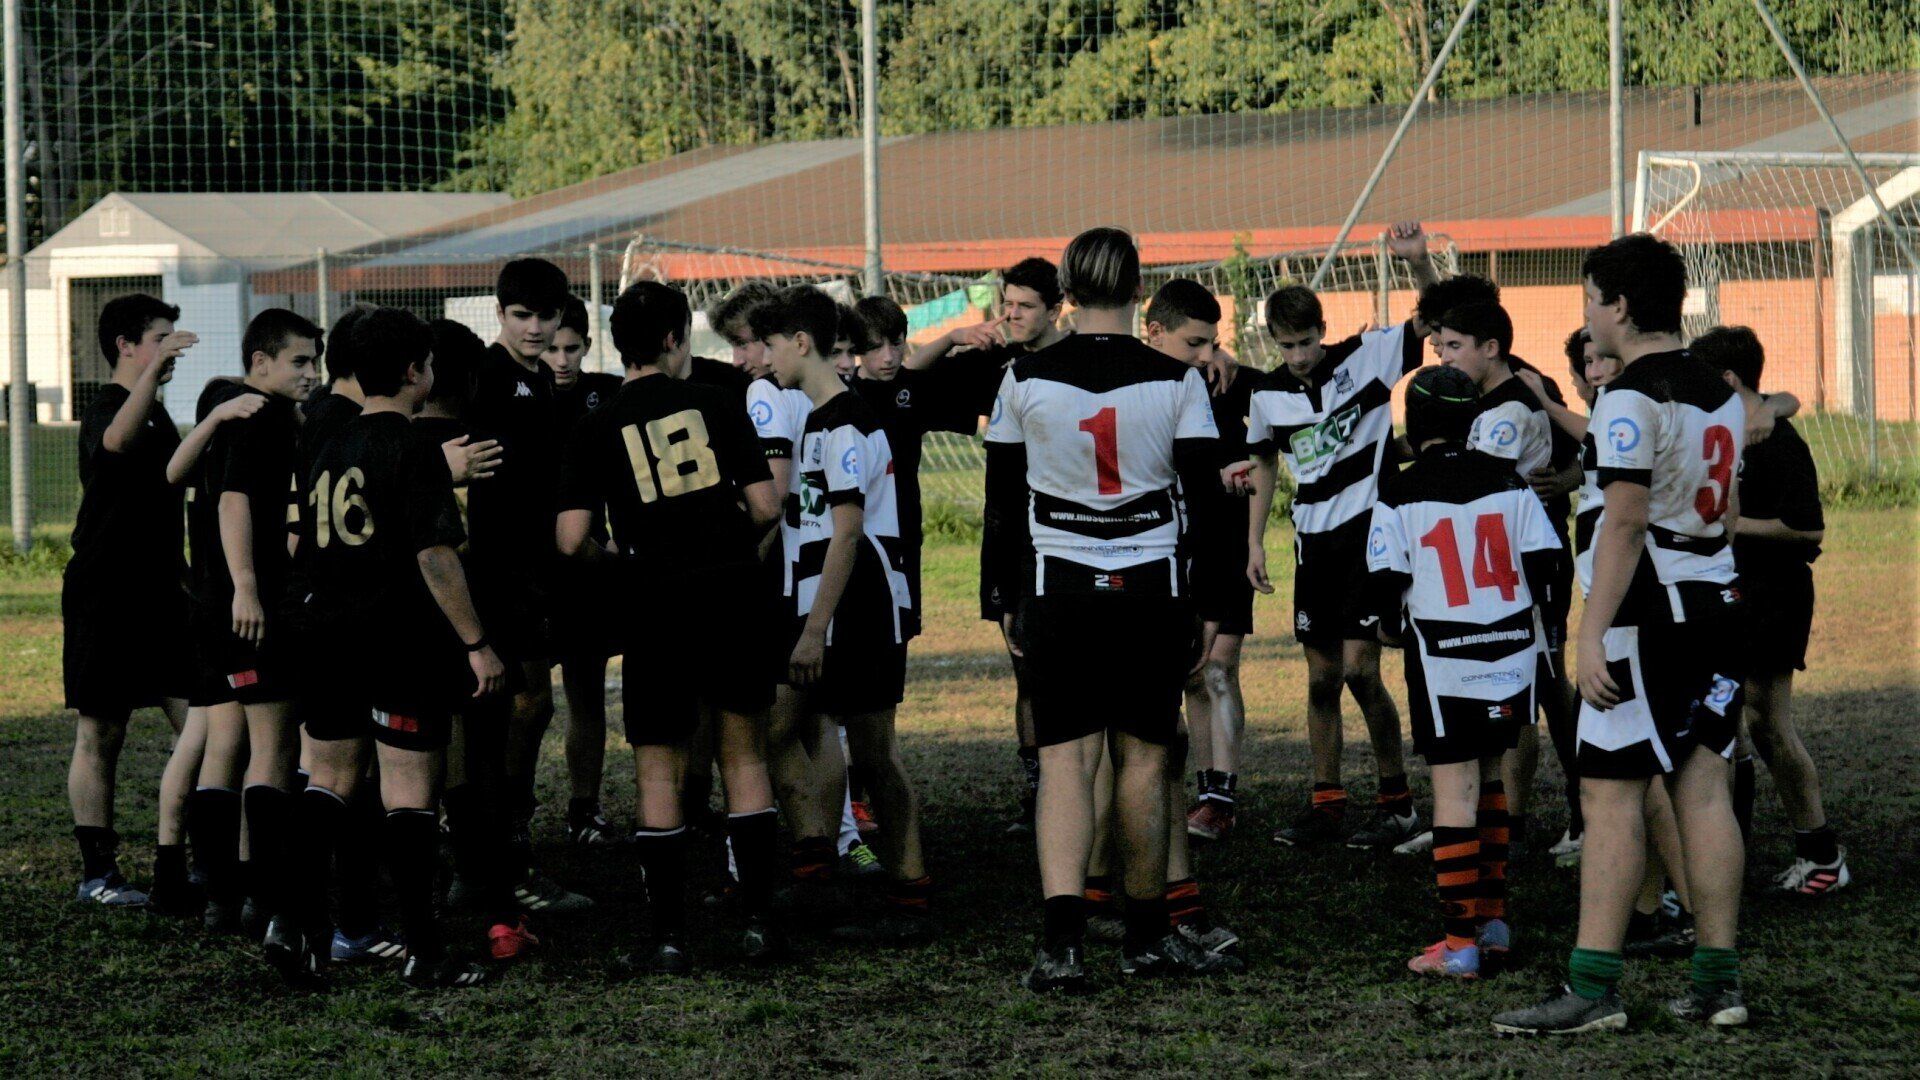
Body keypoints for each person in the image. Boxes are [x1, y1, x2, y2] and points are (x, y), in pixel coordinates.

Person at [1494, 233, 1750, 1035]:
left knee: (1608, 797)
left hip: (1650, 614)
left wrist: (1590, 632)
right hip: (1718, 601)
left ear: (1622, 307)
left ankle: (1593, 988)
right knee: (1703, 787)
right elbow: (1729, 510)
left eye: (1590, 301)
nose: (1587, 316)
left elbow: (1627, 521)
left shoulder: (1630, 397)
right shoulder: (1719, 389)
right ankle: (1719, 982)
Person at [986, 228, 1238, 991]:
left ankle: (1060, 946)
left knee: (1065, 761)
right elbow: (1205, 504)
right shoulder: (1175, 382)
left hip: (1058, 588)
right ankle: (1145, 938)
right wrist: (1213, 605)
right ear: (1139, 291)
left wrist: (1000, 597)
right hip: (1149, 590)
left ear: (1065, 289)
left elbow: (1003, 505)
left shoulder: (1023, 378)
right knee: (1144, 761)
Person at [555, 281, 787, 971]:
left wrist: (619, 558)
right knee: (742, 754)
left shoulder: (596, 423)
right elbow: (769, 506)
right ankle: (759, 922)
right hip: (728, 589)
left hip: (651, 598)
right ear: (675, 338)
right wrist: (723, 538)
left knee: (658, 764)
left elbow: (570, 538)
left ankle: (668, 935)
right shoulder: (718, 401)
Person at [285, 306, 505, 988]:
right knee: (410, 795)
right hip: (395, 639)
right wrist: (477, 643)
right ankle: (426, 952)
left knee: (326, 783)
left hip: (327, 638)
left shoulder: (331, 444)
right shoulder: (410, 447)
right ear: (415, 372)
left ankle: (302, 934)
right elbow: (436, 554)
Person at [1244, 222, 1437, 849]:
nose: (1298, 355)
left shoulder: (1367, 358)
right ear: (1271, 340)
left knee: (1360, 670)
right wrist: (1254, 542)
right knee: (1322, 679)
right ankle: (1326, 804)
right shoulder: (1267, 395)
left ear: (1322, 332)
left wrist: (1419, 262)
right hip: (1313, 544)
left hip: (1370, 538)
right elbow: (1268, 462)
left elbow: (1432, 319)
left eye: (1305, 342)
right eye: (1286, 345)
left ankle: (1397, 801)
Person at [1367, 364, 1560, 980]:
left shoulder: (1398, 490)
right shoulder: (1508, 480)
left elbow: (1385, 582)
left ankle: (1459, 943)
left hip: (1444, 660)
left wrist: (1390, 626)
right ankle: (1493, 922)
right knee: (1491, 778)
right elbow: (1548, 563)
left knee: (1454, 792)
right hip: (1509, 654)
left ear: (1413, 423)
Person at [756, 285, 931, 944]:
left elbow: (848, 533)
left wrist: (812, 629)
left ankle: (910, 896)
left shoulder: (845, 422)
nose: (767, 358)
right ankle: (816, 876)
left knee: (875, 753)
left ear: (800, 342)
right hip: (833, 608)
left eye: (772, 344)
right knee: (790, 728)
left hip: (861, 609)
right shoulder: (819, 418)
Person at [63, 295, 218, 913]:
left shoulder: (158, 414)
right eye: (159, 337)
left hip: (164, 595)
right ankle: (98, 873)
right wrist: (153, 376)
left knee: (203, 722)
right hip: (106, 593)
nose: (170, 346)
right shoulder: (109, 408)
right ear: (126, 345)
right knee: (102, 731)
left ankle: (202, 861)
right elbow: (114, 445)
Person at [908, 257, 1072, 833]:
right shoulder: (994, 363)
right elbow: (908, 376)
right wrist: (953, 334)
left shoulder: (1083, 358)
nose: (1011, 315)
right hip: (1013, 537)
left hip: (1079, 532)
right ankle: (1038, 798)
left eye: (1025, 306)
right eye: (1007, 303)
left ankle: (1083, 790)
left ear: (1058, 309)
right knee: (1027, 672)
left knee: (1079, 673)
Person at [1690, 325, 1847, 896]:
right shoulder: (1733, 431)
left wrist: (1733, 527)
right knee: (1733, 720)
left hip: (1776, 594)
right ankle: (1729, 848)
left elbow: (1807, 527)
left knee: (1770, 725)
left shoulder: (1778, 441)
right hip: (1740, 592)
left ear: (1729, 380)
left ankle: (1823, 854)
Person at [183, 309, 321, 940]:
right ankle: (265, 899)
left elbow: (173, 477)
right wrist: (248, 587)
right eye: (299, 360)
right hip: (246, 605)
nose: (311, 373)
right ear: (260, 362)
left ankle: (222, 894)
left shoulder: (230, 412)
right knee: (273, 748)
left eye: (316, 360)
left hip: (209, 603)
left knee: (223, 746)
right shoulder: (259, 417)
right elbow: (236, 499)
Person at [465, 257, 593, 913]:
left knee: (529, 708)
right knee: (506, 710)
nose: (536, 327)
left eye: (546, 315)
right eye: (523, 315)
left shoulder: (540, 379)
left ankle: (497, 851)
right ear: (500, 314)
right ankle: (497, 862)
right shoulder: (483, 376)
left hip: (533, 573)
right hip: (493, 574)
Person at [1140, 280, 1259, 844]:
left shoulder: (1225, 384)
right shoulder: (1136, 383)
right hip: (1168, 553)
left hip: (1224, 548)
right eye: (1195, 343)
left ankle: (1221, 799)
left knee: (1218, 667)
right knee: (1191, 674)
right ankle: (1201, 790)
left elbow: (1276, 425)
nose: (1207, 355)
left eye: (1213, 343)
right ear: (1154, 332)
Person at [540, 296, 625, 846]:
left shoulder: (607, 395)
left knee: (586, 691)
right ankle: (492, 811)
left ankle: (583, 807)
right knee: (520, 700)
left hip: (590, 564)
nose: (562, 359)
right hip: (529, 568)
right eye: (552, 349)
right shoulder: (515, 394)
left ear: (588, 347)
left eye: (572, 348)